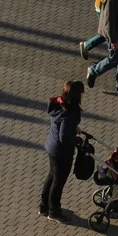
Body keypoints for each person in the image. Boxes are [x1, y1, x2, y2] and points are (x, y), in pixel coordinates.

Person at [40, 80, 85, 223]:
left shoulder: (59, 104)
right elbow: (64, 137)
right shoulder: (70, 112)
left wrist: (73, 128)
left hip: (51, 147)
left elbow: (61, 125)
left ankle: (44, 206)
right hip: (61, 153)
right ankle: (54, 212)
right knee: (58, 182)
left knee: (52, 176)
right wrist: (77, 141)